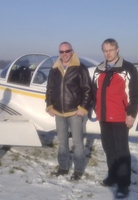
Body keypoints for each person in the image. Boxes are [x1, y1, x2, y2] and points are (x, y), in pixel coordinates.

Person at [92, 39, 138, 198]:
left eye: (111, 50)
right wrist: (96, 107)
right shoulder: (99, 69)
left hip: (121, 116)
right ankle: (112, 175)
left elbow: (136, 94)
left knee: (121, 151)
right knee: (108, 148)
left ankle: (123, 184)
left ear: (117, 50)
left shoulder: (127, 68)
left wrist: (131, 113)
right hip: (104, 116)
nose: (108, 53)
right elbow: (95, 91)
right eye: (105, 50)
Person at [45, 42, 92, 181]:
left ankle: (78, 170)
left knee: (77, 142)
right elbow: (49, 89)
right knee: (62, 141)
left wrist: (83, 108)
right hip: (59, 112)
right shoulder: (54, 69)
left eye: (67, 51)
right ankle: (63, 167)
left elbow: (87, 90)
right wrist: (49, 106)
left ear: (72, 51)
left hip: (74, 112)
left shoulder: (80, 68)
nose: (64, 54)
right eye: (61, 51)